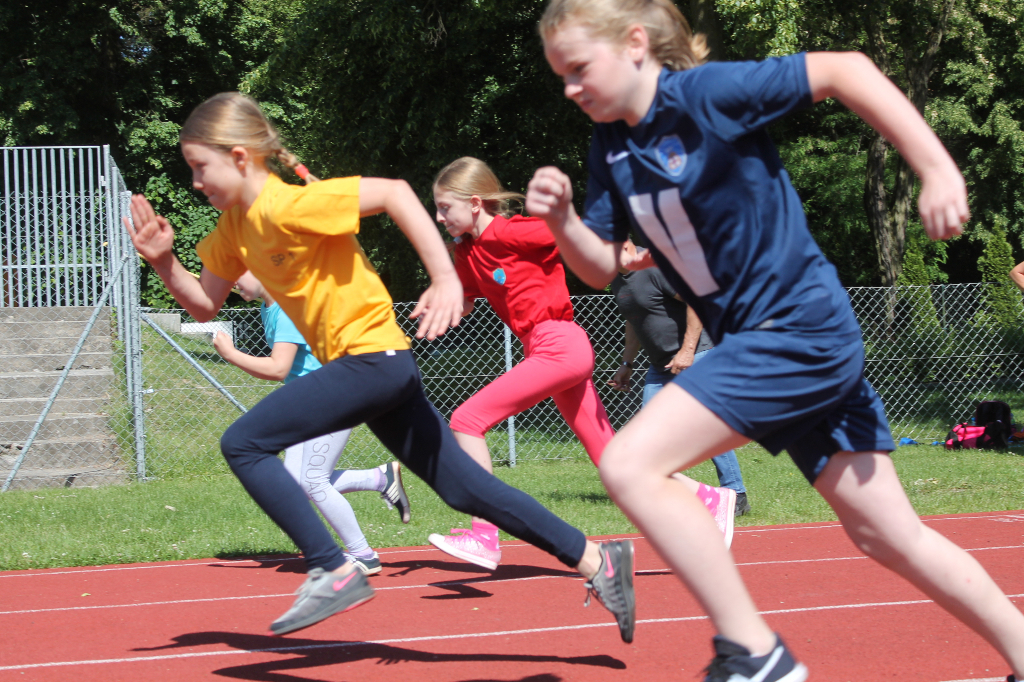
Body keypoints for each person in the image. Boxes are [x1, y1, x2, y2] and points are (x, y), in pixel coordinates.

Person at [525, 1, 1024, 680]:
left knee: (631, 464)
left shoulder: (707, 95)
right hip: (771, 345)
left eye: (579, 68)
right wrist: (562, 222)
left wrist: (936, 169)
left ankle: (755, 654)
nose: (569, 87)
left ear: (635, 43)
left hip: (796, 330)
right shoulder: (611, 145)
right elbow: (599, 265)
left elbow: (848, 70)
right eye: (561, 74)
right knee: (888, 535)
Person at [123, 92, 635, 641]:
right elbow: (205, 303)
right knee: (464, 490)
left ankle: (332, 568)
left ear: (241, 158)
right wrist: (163, 261)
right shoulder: (232, 230)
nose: (196, 181)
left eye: (201, 166)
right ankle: (597, 560)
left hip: (372, 359)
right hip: (378, 371)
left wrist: (445, 278)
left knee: (244, 444)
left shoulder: (293, 204)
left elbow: (395, 193)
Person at [428, 157, 738, 568]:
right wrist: (441, 302)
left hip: (560, 343)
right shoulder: (467, 252)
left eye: (444, 207)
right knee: (611, 459)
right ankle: (709, 498)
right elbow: (464, 298)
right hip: (544, 349)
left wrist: (634, 250)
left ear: (474, 203)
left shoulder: (515, 230)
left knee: (467, 420)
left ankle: (484, 536)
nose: (439, 217)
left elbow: (582, 232)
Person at [212, 270, 412, 576]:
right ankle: (379, 479)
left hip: (334, 398)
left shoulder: (287, 308)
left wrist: (230, 354)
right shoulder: (270, 306)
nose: (233, 281)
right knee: (295, 484)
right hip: (308, 403)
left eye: (238, 272)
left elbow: (278, 368)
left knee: (313, 480)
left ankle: (364, 554)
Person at [608, 258, 750, 518]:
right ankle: (664, 493)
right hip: (660, 366)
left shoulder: (653, 268)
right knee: (648, 434)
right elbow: (634, 321)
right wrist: (627, 363)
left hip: (695, 357)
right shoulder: (616, 279)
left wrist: (687, 351)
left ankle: (735, 493)